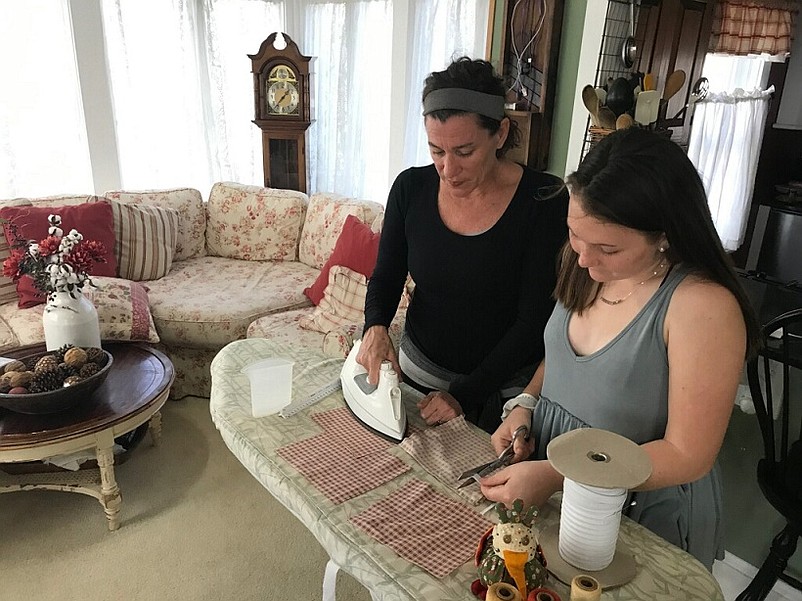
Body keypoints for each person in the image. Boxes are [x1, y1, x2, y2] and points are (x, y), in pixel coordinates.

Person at [480, 127, 761, 570]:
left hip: (634, 507)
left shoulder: (702, 308)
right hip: (553, 478)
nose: (585, 258)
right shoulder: (585, 263)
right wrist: (525, 404)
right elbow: (562, 356)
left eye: (608, 248)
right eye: (574, 234)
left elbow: (689, 454)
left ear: (664, 234)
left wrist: (558, 475)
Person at [359, 57, 568, 434]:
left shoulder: (545, 201)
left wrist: (466, 393)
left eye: (464, 152)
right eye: (436, 151)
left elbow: (534, 320)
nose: (447, 169)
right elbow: (387, 275)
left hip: (504, 398)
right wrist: (375, 326)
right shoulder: (410, 189)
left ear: (500, 134)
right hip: (416, 378)